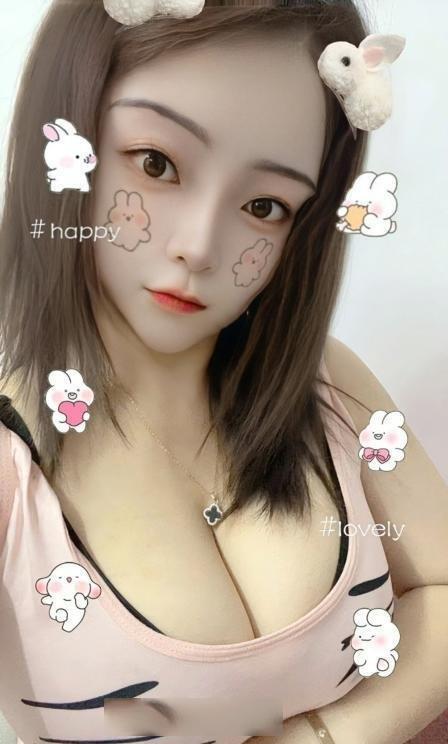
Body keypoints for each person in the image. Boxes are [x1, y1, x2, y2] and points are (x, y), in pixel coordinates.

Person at [0, 1, 447, 743]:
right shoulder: (14, 472)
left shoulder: (329, 385)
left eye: (265, 205)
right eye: (156, 164)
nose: (200, 246)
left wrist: (326, 737)